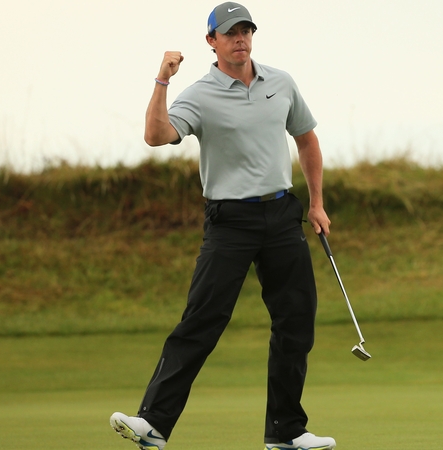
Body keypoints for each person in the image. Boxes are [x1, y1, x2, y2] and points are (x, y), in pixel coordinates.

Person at [109, 3, 335, 450]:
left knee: (296, 321)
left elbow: (306, 138)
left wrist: (317, 203)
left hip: (281, 215)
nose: (241, 39)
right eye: (231, 32)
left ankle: (286, 432)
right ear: (211, 41)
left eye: (246, 30)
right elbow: (156, 136)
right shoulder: (200, 93)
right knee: (203, 320)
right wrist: (162, 81)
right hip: (230, 222)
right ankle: (153, 424)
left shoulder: (282, 82)